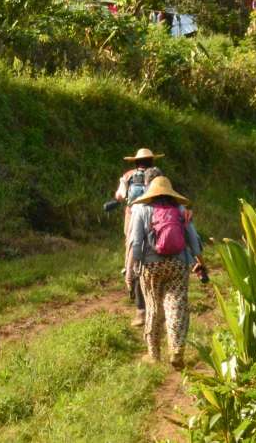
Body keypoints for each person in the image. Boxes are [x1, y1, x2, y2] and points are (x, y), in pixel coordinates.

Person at [127, 175, 205, 367]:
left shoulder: (142, 210)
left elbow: (136, 243)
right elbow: (193, 238)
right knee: (176, 305)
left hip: (150, 266)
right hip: (178, 264)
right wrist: (200, 261)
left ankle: (153, 355)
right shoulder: (180, 210)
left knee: (153, 307)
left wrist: (131, 270)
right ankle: (176, 350)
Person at [104, 148, 165, 326]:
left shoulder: (128, 175)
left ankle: (129, 275)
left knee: (132, 247)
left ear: (135, 162)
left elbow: (120, 195)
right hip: (156, 215)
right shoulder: (158, 175)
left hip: (133, 215)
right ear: (152, 161)